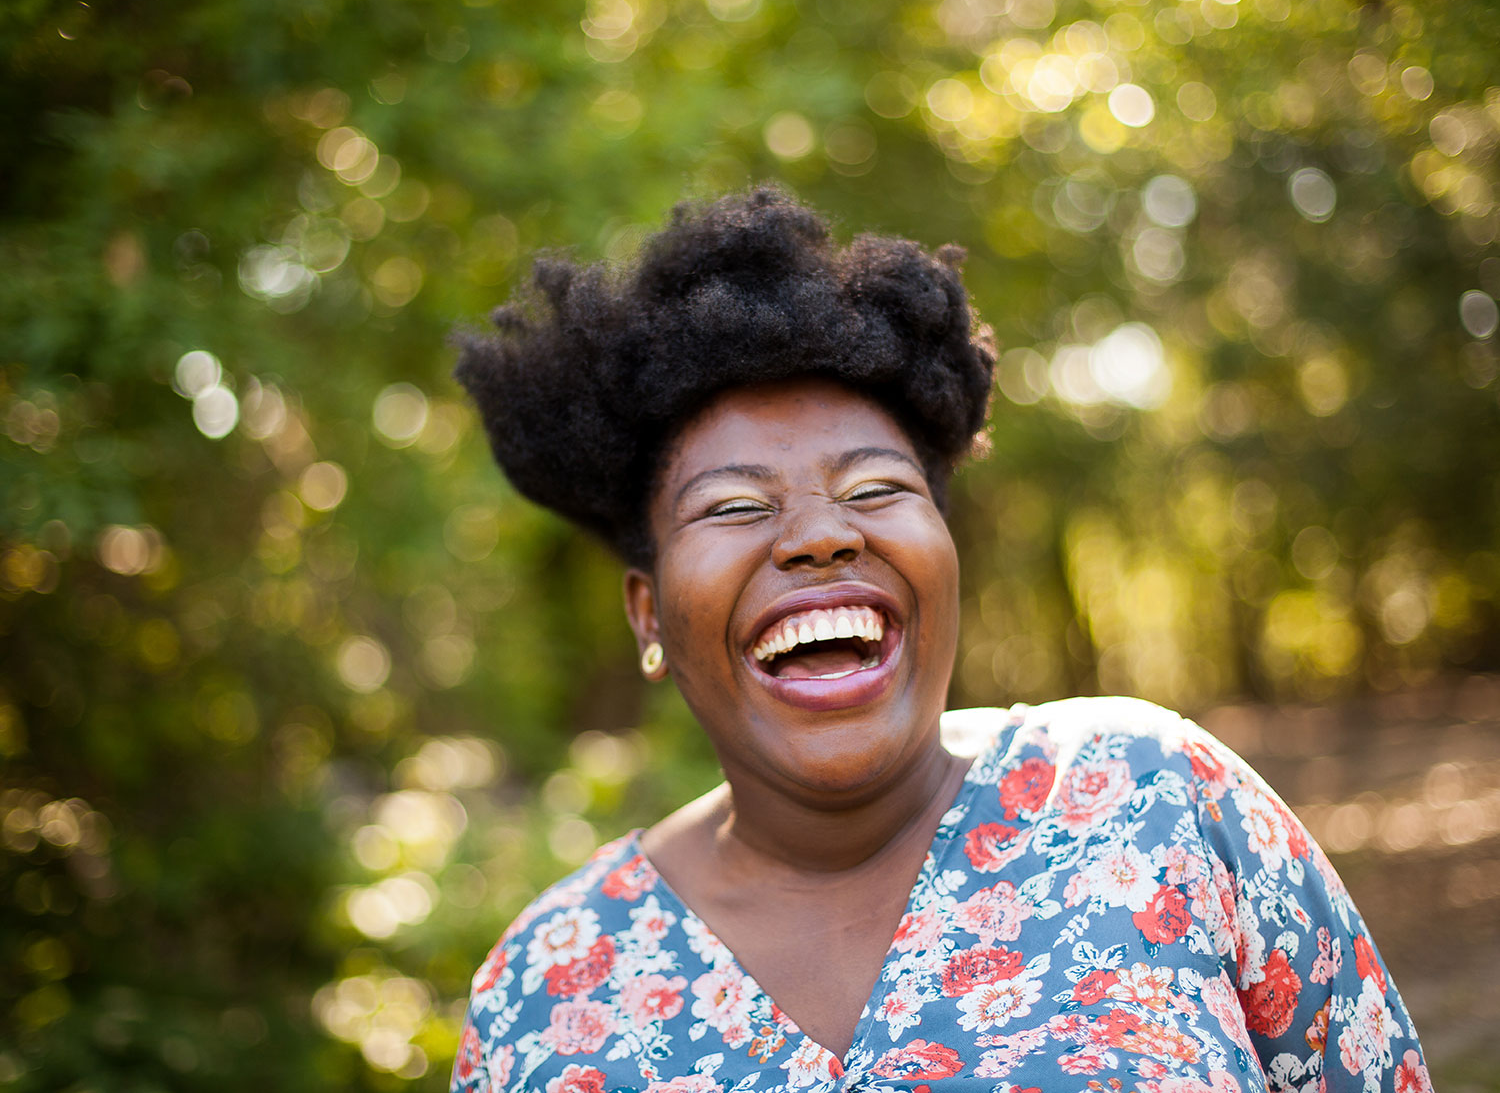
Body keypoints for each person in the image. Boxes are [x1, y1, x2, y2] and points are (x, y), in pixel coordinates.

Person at [447, 188, 1429, 1093]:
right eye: (736, 504)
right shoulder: (546, 986)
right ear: (649, 611)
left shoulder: (1160, 796)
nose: (823, 533)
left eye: (877, 488)